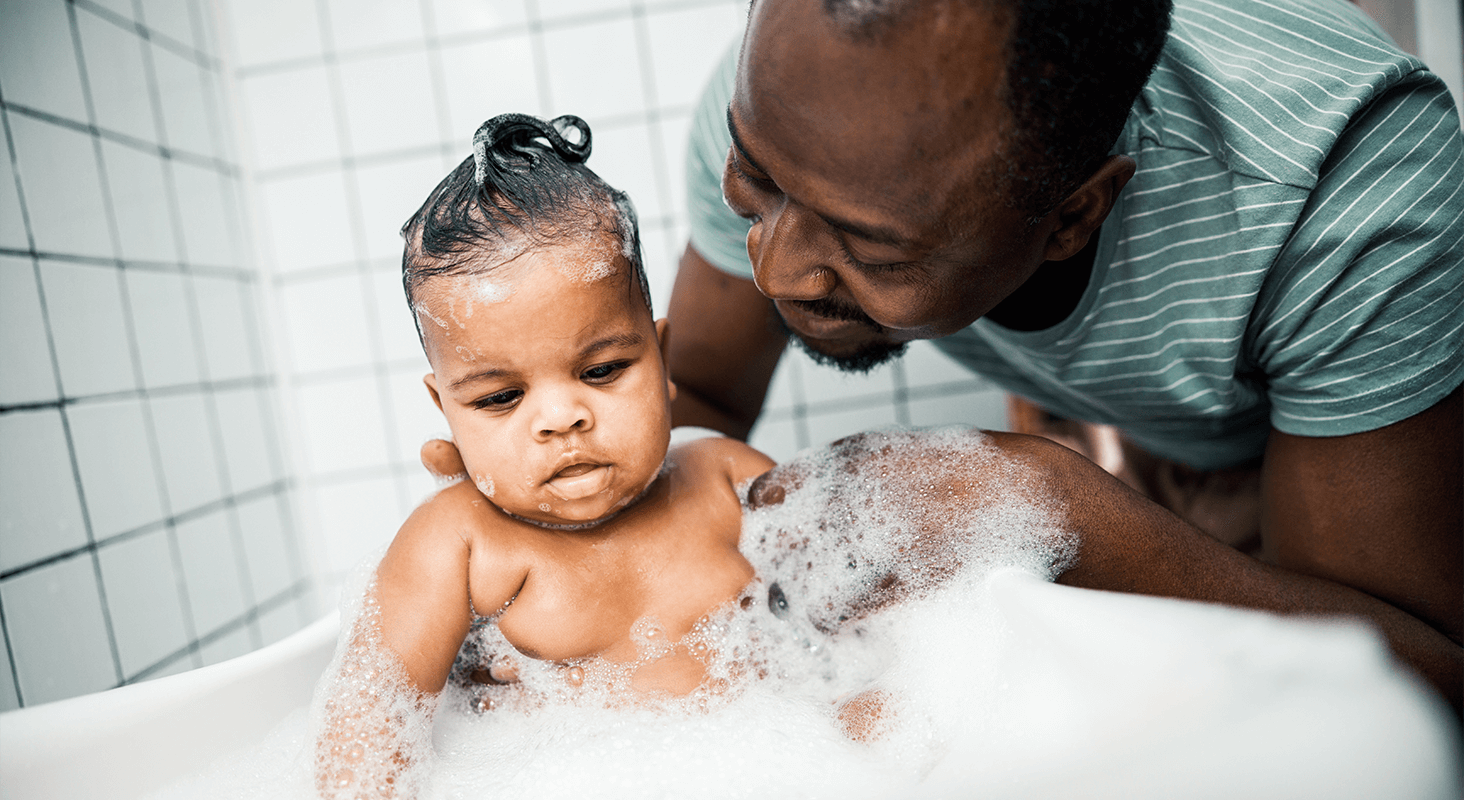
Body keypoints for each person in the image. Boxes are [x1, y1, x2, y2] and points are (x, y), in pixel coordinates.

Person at [661, 0, 1462, 710]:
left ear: (1073, 216)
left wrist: (1055, 505)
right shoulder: (787, 106)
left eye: (873, 248)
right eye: (755, 177)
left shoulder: (1345, 190)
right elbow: (697, 392)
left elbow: (1409, 686)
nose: (772, 270)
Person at [314, 113, 773, 797]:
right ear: (449, 414)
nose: (562, 418)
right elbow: (365, 737)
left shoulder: (729, 480)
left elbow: (854, 630)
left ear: (662, 358)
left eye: (602, 370)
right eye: (500, 399)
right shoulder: (461, 545)